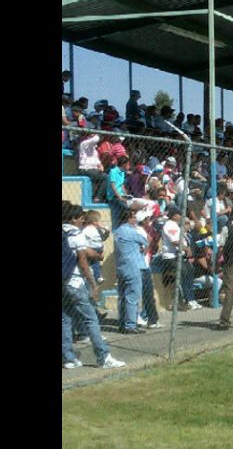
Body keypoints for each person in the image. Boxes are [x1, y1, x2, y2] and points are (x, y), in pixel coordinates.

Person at [62, 203, 126, 369]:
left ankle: (68, 358)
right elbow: (82, 261)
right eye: (81, 218)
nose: (83, 221)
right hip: (74, 281)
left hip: (63, 282)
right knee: (91, 318)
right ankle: (103, 357)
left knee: (65, 319)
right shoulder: (76, 234)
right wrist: (92, 283)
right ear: (74, 218)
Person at [113, 208, 149, 334]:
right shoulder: (131, 231)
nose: (135, 220)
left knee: (122, 297)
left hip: (121, 267)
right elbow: (145, 241)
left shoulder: (117, 231)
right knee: (132, 296)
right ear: (128, 218)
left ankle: (122, 323)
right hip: (132, 267)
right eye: (133, 217)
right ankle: (130, 325)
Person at [161, 208, 201, 310]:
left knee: (190, 272)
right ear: (174, 216)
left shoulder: (175, 225)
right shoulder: (169, 225)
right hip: (170, 257)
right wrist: (187, 249)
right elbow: (174, 241)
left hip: (179, 256)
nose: (181, 216)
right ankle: (188, 300)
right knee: (184, 273)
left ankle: (192, 299)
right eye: (179, 214)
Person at [106, 156, 131, 229]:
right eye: (128, 164)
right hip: (114, 196)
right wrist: (120, 197)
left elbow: (122, 185)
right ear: (124, 164)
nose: (129, 166)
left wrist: (126, 195)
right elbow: (113, 186)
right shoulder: (113, 171)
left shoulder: (123, 173)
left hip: (121, 196)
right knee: (126, 208)